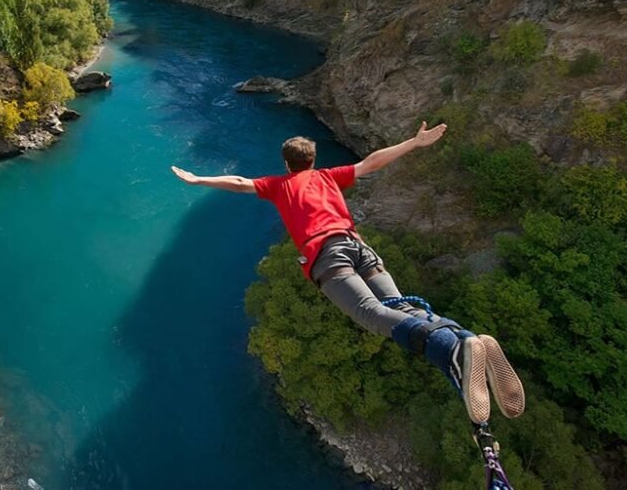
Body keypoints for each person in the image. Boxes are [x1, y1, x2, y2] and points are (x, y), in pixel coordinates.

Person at [171, 122, 525, 424]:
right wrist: (415, 143)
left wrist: (198, 180)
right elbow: (371, 163)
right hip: (359, 247)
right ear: (313, 160)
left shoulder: (279, 185)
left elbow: (239, 181)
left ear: (287, 164)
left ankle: (450, 350)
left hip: (327, 255)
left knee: (370, 314)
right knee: (399, 306)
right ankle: (463, 337)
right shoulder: (328, 176)